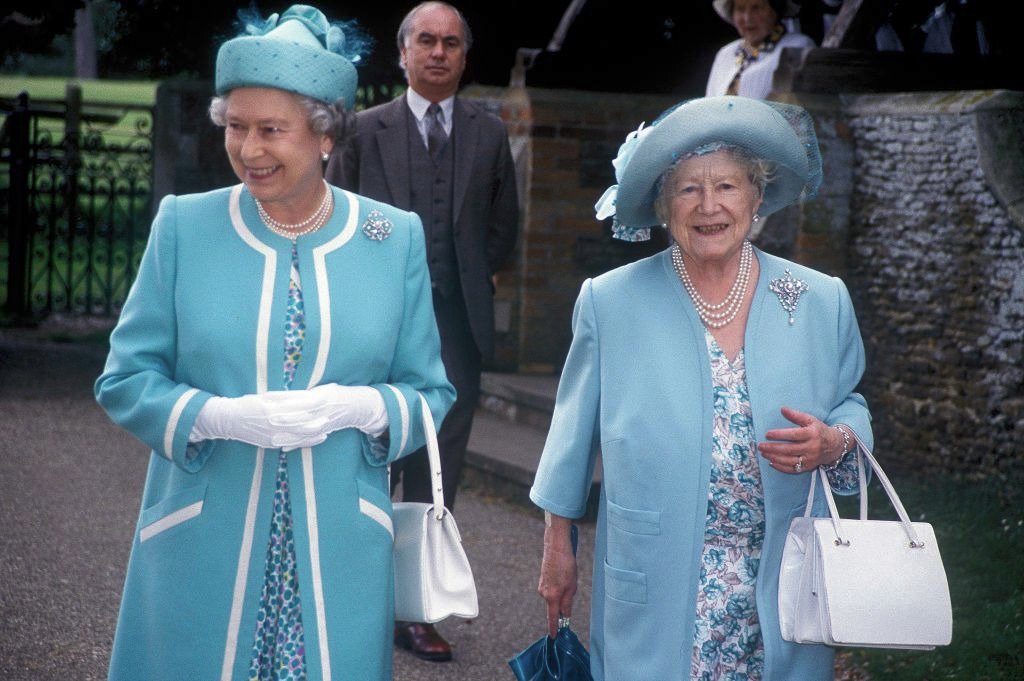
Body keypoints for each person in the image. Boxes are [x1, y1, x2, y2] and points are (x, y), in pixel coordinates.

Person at [94, 5, 455, 680]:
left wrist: (361, 408)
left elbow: (430, 391)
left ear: (324, 137)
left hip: (338, 549)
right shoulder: (185, 226)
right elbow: (124, 378)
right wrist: (216, 416)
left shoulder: (392, 237)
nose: (248, 149)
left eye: (271, 130)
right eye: (235, 127)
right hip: (202, 541)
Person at [533, 95, 873, 681]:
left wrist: (836, 441)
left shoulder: (820, 299)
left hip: (782, 580)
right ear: (664, 205)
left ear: (757, 198)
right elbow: (570, 436)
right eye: (688, 189)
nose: (709, 206)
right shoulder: (610, 301)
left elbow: (852, 404)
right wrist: (556, 547)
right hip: (656, 576)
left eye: (728, 187)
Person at [326, 0, 519, 662]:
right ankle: (357, 600)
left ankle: (416, 608)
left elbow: (503, 228)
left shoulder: (490, 134)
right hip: (373, 330)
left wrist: (464, 279)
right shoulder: (360, 131)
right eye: (426, 42)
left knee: (440, 471)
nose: (439, 53)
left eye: (451, 43)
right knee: (369, 458)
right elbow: (334, 224)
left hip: (456, 330)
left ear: (465, 56)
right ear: (402, 54)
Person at [706, 0, 815, 99]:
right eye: (740, 9)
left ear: (775, 10)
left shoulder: (798, 46)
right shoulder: (725, 54)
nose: (747, 18)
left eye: (756, 8)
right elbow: (708, 109)